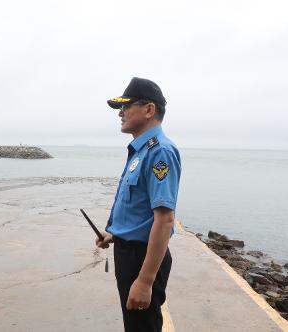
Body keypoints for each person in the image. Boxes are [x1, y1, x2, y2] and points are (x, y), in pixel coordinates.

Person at [96, 77, 181, 332]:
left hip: (141, 258)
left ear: (148, 109)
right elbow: (140, 210)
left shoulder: (159, 151)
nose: (120, 113)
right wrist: (115, 234)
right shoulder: (142, 150)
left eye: (126, 106)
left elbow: (164, 219)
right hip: (129, 252)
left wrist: (145, 280)